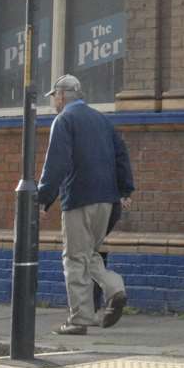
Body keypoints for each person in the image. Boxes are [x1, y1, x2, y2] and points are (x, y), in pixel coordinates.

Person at [37, 74, 134, 335]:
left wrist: (43, 198)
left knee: (74, 258)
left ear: (61, 96)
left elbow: (56, 162)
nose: (54, 103)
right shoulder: (102, 120)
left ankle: (79, 319)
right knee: (89, 253)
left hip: (79, 198)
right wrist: (124, 190)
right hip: (108, 199)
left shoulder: (64, 120)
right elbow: (121, 154)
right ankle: (114, 287)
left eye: (54, 98)